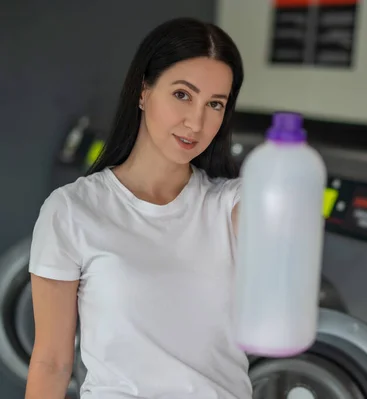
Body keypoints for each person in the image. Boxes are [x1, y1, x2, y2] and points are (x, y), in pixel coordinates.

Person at [25, 17, 251, 399]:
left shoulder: (232, 203)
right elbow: (52, 362)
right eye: (183, 94)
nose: (196, 121)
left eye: (215, 104)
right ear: (144, 91)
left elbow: (275, 228)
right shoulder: (72, 210)